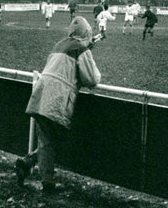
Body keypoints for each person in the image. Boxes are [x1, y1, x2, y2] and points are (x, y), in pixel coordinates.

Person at [14, 16, 102, 193]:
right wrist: (88, 50)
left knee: (48, 140)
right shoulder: (81, 48)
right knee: (50, 141)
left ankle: (28, 163)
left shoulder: (59, 45)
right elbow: (91, 79)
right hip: (56, 99)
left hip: (41, 95)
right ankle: (47, 182)